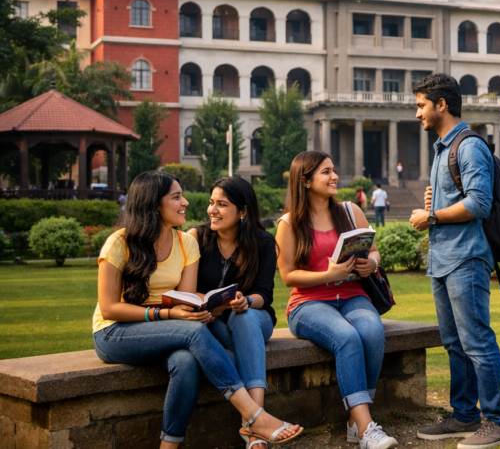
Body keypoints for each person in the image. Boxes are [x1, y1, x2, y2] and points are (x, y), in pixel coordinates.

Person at [92, 171, 303, 449]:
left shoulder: (185, 242)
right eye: (177, 197)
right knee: (194, 333)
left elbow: (186, 297)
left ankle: (169, 447)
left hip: (166, 330)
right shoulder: (120, 242)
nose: (187, 203)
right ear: (154, 204)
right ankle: (254, 416)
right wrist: (165, 314)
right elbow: (109, 308)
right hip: (114, 333)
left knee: (186, 362)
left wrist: (200, 309)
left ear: (242, 211)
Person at [410, 73, 500, 448]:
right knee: (454, 342)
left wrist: (433, 216)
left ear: (442, 104)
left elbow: (479, 203)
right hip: (443, 258)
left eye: (422, 104)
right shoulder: (443, 147)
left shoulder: (468, 146)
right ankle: (465, 415)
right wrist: (434, 207)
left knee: (477, 341)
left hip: (466, 258)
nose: (417, 112)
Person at [277, 151, 395, 449]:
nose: (334, 177)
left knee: (371, 331)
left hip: (353, 294)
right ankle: (367, 428)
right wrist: (327, 275)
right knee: (347, 337)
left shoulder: (350, 211)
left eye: (334, 170)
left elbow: (375, 250)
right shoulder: (289, 223)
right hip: (308, 303)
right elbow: (289, 276)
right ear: (305, 181)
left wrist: (372, 263)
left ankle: (357, 422)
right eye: (326, 172)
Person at [189, 177, 278, 436]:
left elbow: (264, 294)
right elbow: (184, 290)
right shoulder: (196, 237)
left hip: (253, 318)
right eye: (211, 202)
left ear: (243, 211)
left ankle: (254, 421)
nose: (212, 210)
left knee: (245, 317)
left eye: (222, 204)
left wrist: (246, 301)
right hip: (210, 321)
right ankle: (257, 425)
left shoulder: (262, 242)